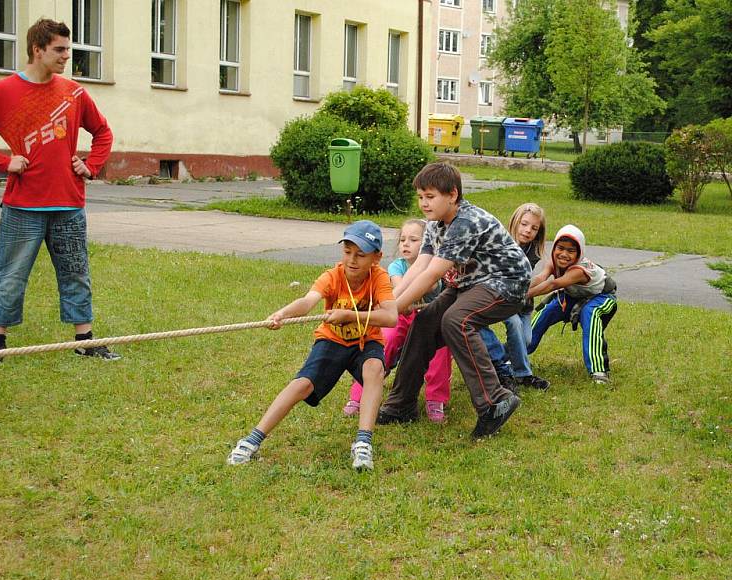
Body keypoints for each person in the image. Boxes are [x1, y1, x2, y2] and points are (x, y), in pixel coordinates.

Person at [0, 18, 118, 364]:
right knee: (10, 273)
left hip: (69, 204)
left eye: (68, 50)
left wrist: (92, 165)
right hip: (22, 206)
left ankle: (84, 339)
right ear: (37, 50)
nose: (66, 56)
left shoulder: (73, 93)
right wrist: (1, 161)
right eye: (59, 50)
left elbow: (102, 132)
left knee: (76, 271)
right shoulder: (2, 92)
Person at [227, 220, 398, 471]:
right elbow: (307, 302)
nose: (352, 260)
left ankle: (363, 443)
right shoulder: (333, 275)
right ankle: (251, 441)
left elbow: (391, 317)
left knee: (374, 370)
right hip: (332, 339)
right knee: (302, 384)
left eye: (360, 255)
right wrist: (282, 314)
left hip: (365, 340)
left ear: (376, 257)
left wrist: (350, 315)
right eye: (347, 252)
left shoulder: (379, 277)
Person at [376, 162, 531, 438]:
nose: (424, 203)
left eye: (430, 196)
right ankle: (401, 405)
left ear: (453, 195)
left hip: (506, 283)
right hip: (469, 284)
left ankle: (495, 401)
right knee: (423, 323)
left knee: (456, 320)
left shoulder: (466, 222)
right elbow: (418, 269)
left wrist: (392, 311)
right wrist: (390, 304)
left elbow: (433, 274)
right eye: (421, 196)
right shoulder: (435, 225)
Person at [345, 219, 452, 423]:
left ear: (428, 243)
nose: (405, 244)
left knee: (441, 349)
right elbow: (400, 286)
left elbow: (431, 286)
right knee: (383, 340)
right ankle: (360, 393)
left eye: (413, 240)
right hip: (402, 314)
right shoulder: (397, 266)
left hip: (430, 317)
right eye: (402, 239)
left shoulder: (437, 265)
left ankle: (435, 399)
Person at [526, 224, 618, 384]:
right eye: (560, 248)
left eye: (571, 250)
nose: (564, 254)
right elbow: (541, 278)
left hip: (601, 297)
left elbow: (553, 285)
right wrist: (520, 290)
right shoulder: (552, 262)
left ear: (579, 253)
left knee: (590, 313)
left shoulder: (578, 271)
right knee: (546, 312)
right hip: (572, 295)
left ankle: (598, 370)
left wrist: (524, 296)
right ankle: (513, 357)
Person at [479, 203, 550, 392]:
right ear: (515, 222)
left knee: (526, 341)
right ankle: (523, 375)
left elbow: (525, 282)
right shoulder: (499, 245)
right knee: (514, 325)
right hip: (503, 300)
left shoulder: (532, 252)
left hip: (523, 303)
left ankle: (493, 361)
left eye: (534, 228)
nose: (528, 231)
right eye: (524, 224)